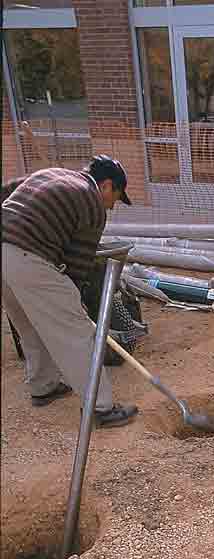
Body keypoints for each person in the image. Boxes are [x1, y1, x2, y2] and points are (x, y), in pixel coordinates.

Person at [1, 156, 137, 426]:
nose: (111, 206)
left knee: (28, 325)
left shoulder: (49, 174)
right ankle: (101, 408)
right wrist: (76, 306)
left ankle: (44, 386)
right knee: (77, 333)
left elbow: (6, 192)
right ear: (107, 185)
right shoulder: (91, 202)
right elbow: (77, 266)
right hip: (29, 257)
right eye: (116, 197)